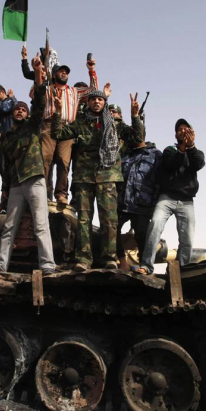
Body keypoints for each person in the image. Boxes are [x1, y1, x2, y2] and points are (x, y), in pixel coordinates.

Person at [0, 56, 56, 274]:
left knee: (41, 225)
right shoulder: (8, 138)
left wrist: (38, 74)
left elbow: (39, 102)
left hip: (34, 180)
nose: (20, 111)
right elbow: (6, 167)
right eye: (17, 109)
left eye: (24, 109)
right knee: (9, 227)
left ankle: (48, 265)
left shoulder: (32, 127)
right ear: (12, 114)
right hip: (15, 185)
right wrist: (5, 190)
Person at [53, 90, 143, 271]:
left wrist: (135, 116)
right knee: (84, 220)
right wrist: (58, 111)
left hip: (108, 176)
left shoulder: (115, 124)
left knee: (109, 220)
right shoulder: (80, 123)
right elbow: (57, 133)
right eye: (93, 99)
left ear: (104, 103)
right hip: (84, 178)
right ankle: (83, 259)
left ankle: (109, 258)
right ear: (88, 103)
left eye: (100, 99)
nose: (96, 102)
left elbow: (137, 137)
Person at [135, 119, 205, 273]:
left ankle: (182, 270)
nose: (183, 132)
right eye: (180, 130)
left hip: (187, 201)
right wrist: (182, 149)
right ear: (175, 135)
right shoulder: (169, 150)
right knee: (155, 226)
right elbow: (170, 164)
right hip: (166, 198)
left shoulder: (197, 153)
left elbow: (198, 164)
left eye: (186, 129)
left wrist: (191, 147)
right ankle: (146, 265)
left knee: (187, 237)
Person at [41, 58, 98, 204]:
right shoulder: (47, 89)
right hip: (49, 126)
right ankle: (43, 193)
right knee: (45, 159)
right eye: (61, 71)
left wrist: (91, 70)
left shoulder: (74, 91)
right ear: (54, 74)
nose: (64, 73)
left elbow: (94, 91)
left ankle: (61, 194)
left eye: (66, 72)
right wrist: (40, 73)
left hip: (67, 128)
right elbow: (33, 93)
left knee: (63, 161)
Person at [117, 139, 163, 270]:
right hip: (122, 203)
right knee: (111, 229)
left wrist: (154, 205)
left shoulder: (155, 155)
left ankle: (144, 266)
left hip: (142, 205)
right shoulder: (124, 153)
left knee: (142, 234)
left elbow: (160, 182)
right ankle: (122, 261)